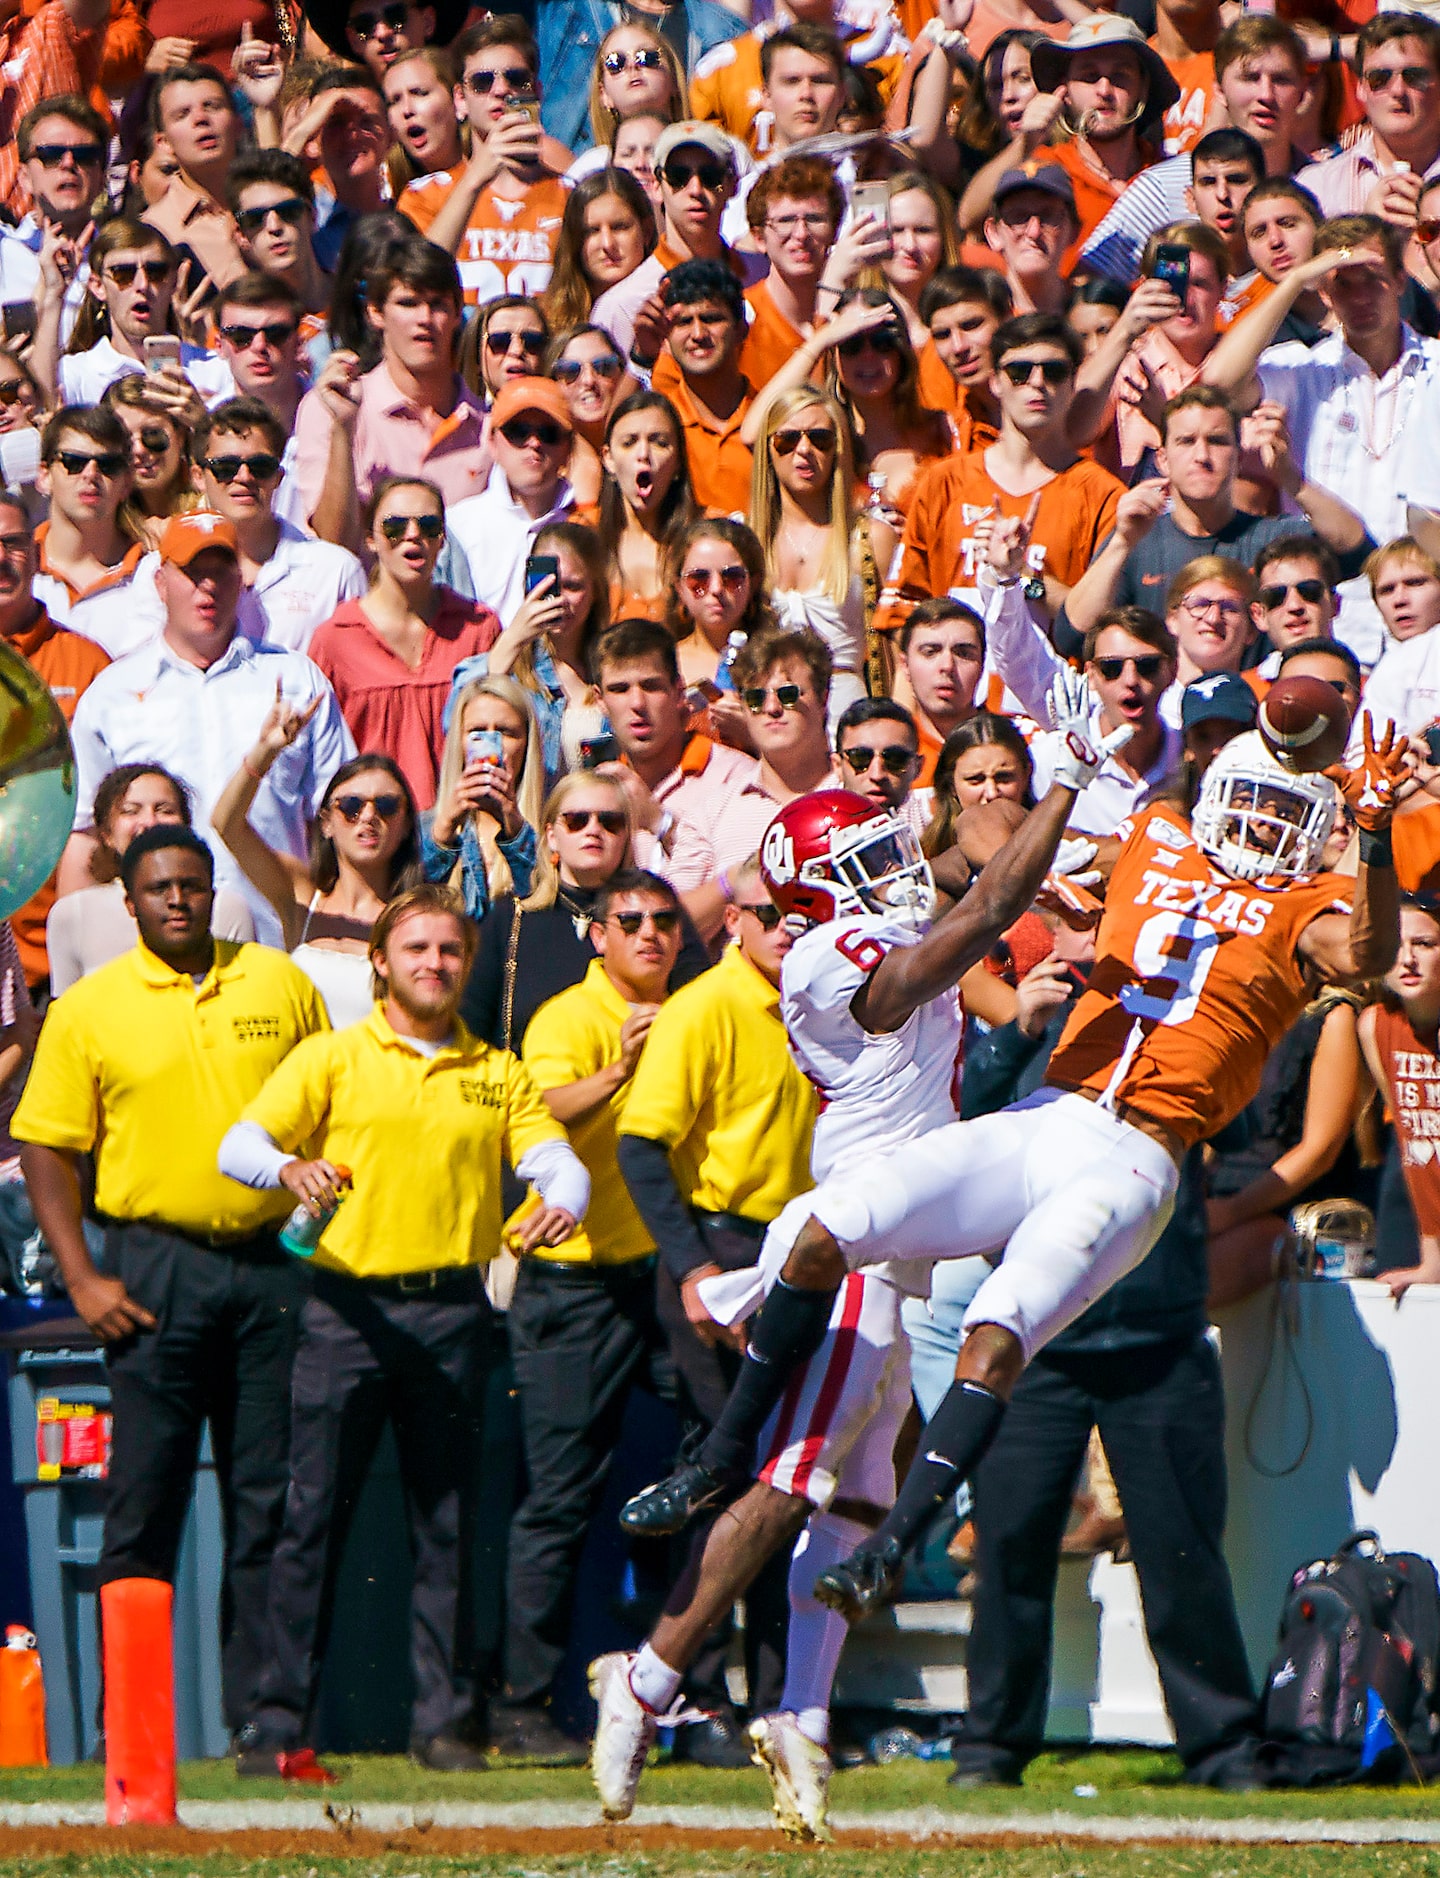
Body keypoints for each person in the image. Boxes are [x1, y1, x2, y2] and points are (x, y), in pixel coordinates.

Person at [623, 705, 1405, 1634]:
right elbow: (1002, 836)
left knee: (998, 1332)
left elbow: (1373, 950)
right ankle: (718, 1457)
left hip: (1139, 1157)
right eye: (1250, 800)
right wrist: (1050, 812)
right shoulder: (1158, 834)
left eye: (1283, 811)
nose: (1258, 824)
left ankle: (895, 1544)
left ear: (1314, 831)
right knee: (825, 1227)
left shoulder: (1308, 905)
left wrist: (1376, 833)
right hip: (1050, 1113)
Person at [600, 688, 1114, 1831]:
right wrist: (1066, 784)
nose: (896, 863)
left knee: (858, 1490)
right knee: (792, 1481)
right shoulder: (831, 958)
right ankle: (646, 1682)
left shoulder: (862, 912)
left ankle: (803, 1715)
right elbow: (974, 919)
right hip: (857, 1235)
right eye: (871, 855)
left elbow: (965, 860)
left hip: (908, 1230)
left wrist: (1022, 769)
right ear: (824, 887)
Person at [220, 884, 589, 1777]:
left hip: (454, 1311)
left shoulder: (496, 1070)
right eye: (416, 949)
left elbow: (557, 1163)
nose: (435, 964)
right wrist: (289, 1167)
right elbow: (237, 1145)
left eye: (450, 951)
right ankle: (276, 1725)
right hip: (344, 1310)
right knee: (307, 1522)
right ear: (380, 961)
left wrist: (561, 1204)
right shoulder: (335, 1057)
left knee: (448, 1523)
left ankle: (445, 1724)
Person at [14, 824, 330, 1755]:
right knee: (141, 1506)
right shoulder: (90, 1007)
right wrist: (81, 1274)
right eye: (160, 889)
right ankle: (134, 1737)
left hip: (275, 1267)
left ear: (213, 889)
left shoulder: (280, 982)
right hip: (152, 1271)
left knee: (266, 1500)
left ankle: (266, 1727)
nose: (180, 901)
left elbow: (334, 1102)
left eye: (193, 885)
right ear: (131, 901)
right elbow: (46, 1145)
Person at [493, 867, 686, 1764]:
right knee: (559, 1500)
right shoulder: (565, 1017)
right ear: (598, 936)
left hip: (661, 1274)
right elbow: (541, 1114)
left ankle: (692, 1690)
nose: (649, 933)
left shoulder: (691, 1009)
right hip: (571, 1285)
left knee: (705, 1479)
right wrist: (621, 1068)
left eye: (663, 921)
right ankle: (524, 1705)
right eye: (630, 920)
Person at [63, 512, 355, 949]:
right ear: (160, 583)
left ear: (240, 581)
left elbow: (339, 820)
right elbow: (86, 838)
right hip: (151, 956)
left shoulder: (296, 682)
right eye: (192, 573)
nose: (208, 586)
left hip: (278, 947)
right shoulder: (111, 695)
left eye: (220, 571)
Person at [1202, 213, 1440, 662]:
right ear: (1325, 293)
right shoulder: (1301, 367)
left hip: (1429, 608)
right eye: (1342, 284)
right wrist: (1293, 282)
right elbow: (1216, 383)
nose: (1360, 296)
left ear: (1401, 280)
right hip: (1329, 616)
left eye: (1373, 279)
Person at [876, 313, 1124, 632]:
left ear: (1073, 382)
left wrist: (1020, 575)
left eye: (1055, 371)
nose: (1037, 382)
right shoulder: (943, 483)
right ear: (995, 381)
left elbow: (1104, 627)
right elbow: (902, 616)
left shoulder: (1104, 497)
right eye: (1019, 372)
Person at [1063, 388, 1372, 643]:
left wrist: (1292, 480)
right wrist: (1121, 542)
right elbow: (1072, 635)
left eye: (1217, 441)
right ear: (1163, 460)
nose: (1202, 456)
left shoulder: (1272, 538)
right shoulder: (1137, 543)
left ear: (1239, 458)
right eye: (1186, 441)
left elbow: (1358, 552)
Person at [460, 769, 710, 1053]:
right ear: (552, 836)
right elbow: (470, 1027)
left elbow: (700, 1005)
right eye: (577, 821)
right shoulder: (510, 918)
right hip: (528, 1088)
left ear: (627, 836)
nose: (593, 830)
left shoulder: (658, 915)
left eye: (610, 822)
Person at [307, 478, 502, 810]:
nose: (413, 535)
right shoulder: (335, 639)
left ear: (442, 540)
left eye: (428, 526)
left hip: (463, 828)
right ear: (371, 539)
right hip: (373, 832)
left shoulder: (477, 627)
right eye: (395, 526)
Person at [1081, 18, 1313, 287]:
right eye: (1249, 78)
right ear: (1219, 91)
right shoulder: (1164, 188)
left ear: (1303, 92)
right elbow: (1088, 281)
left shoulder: (1320, 182)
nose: (1266, 94)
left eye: (1281, 80)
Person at [293, 238, 489, 551]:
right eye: (408, 303)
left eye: (438, 304)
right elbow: (333, 543)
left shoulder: (491, 426)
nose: (425, 318)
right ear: (375, 312)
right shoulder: (327, 408)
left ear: (456, 314)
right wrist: (344, 430)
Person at [161, 398, 368, 656]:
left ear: (279, 477)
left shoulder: (335, 571)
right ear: (197, 477)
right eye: (225, 467)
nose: (244, 477)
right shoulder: (164, 569)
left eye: (261, 467)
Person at [593, 618, 758, 937]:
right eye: (619, 689)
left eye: (651, 686)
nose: (637, 704)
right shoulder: (597, 792)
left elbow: (736, 901)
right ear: (599, 699)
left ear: (679, 691)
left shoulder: (737, 776)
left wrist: (660, 822)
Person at [398, 17, 570, 309]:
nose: (501, 90)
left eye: (517, 79)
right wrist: (476, 179)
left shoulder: (569, 195)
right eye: (482, 82)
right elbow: (416, 285)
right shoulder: (423, 197)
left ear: (537, 93)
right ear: (460, 100)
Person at [47, 764, 254, 995]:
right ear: (106, 833)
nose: (149, 822)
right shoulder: (72, 914)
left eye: (164, 810)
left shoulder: (227, 908)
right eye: (131, 811)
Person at [750, 387, 876, 730]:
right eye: (787, 440)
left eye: (820, 438)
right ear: (768, 449)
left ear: (838, 449)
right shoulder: (745, 540)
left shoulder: (868, 536)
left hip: (845, 711)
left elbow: (894, 648)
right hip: (767, 712)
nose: (803, 450)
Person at [591, 122, 748, 367]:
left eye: (710, 177)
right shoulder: (621, 306)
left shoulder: (764, 275)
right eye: (678, 177)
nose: (695, 189)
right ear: (656, 186)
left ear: (732, 184)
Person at [1027, 16, 1179, 257]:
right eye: (1089, 76)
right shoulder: (1043, 169)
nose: (1104, 90)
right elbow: (968, 216)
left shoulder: (1172, 178)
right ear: (1064, 90)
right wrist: (1023, 143)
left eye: (1120, 77)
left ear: (1143, 88)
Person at [49, 216, 229, 411]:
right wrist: (51, 295)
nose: (142, 285)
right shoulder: (74, 374)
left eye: (156, 272)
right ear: (98, 285)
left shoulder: (215, 370)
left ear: (174, 281)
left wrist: (202, 422)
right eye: (123, 274)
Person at [480, 519, 611, 781]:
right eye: (548, 586)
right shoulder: (510, 665)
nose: (559, 600)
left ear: (595, 590)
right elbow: (458, 722)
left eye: (573, 586)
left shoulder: (613, 666)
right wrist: (514, 638)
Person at [1359, 898, 1440, 1298]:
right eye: (1396, 946)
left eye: (1424, 944)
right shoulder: (1374, 1025)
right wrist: (1432, 1260)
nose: (1407, 959)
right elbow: (1414, 1139)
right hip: (1419, 1220)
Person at [447, 377, 578, 625]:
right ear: (492, 441)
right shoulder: (457, 525)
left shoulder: (587, 525)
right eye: (518, 432)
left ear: (568, 448)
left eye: (548, 433)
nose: (534, 443)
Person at [30, 406, 153, 658]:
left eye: (108, 465)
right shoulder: (16, 570)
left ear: (127, 482)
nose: (91, 474)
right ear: (44, 476)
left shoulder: (154, 577)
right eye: (74, 462)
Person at [423, 675, 544, 923]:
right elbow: (410, 900)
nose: (491, 745)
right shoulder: (425, 829)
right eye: (477, 732)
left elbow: (544, 906)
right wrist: (444, 831)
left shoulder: (551, 830)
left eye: (505, 732)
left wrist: (515, 829)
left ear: (526, 743)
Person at [1297, 16, 1440, 220]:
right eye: (1379, 79)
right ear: (1361, 89)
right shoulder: (1316, 187)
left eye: (1414, 77)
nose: (1398, 90)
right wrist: (1363, 233)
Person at [1, 96, 109, 342]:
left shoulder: (124, 258)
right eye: (51, 154)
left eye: (84, 155)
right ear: (24, 177)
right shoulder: (3, 250)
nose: (69, 164)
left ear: (102, 175)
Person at [654, 260, 755, 517]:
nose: (698, 333)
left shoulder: (771, 417)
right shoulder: (659, 424)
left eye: (711, 318)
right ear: (665, 334)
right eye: (684, 322)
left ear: (741, 328)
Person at [740, 157, 847, 392]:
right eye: (786, 221)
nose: (801, 234)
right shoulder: (740, 321)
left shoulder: (852, 314)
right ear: (759, 237)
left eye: (814, 219)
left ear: (835, 230)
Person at [144, 62, 248, 291]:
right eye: (182, 114)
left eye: (212, 106)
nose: (200, 118)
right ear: (164, 143)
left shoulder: (273, 208)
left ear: (239, 124)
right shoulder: (155, 231)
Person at [669, 516, 770, 751]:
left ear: (753, 583)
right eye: (699, 579)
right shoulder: (665, 663)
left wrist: (750, 734)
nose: (716, 589)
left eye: (732, 578)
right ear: (679, 588)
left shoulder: (779, 661)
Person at [596, 389, 697, 623]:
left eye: (660, 443)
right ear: (608, 458)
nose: (643, 454)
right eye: (629, 443)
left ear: (678, 462)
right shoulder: (586, 533)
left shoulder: (705, 535)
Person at [541, 173, 656, 337]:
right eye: (592, 231)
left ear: (647, 231)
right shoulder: (548, 320)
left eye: (619, 227)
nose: (607, 244)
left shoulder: (667, 309)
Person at [574, 21, 687, 186]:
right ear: (603, 94)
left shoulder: (711, 153)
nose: (632, 66)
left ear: (674, 79)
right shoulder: (589, 170)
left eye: (647, 57)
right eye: (615, 62)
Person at [228, 151, 332, 330]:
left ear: (312, 217)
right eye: (255, 218)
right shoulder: (234, 328)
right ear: (240, 235)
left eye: (288, 211)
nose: (274, 227)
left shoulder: (363, 305)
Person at [103, 377, 194, 550]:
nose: (139, 450)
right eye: (125, 440)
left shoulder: (211, 503)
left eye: (153, 434)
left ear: (180, 436)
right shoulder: (103, 523)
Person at [983, 162, 1077, 317]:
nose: (1034, 232)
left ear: (1074, 230)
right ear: (993, 234)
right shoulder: (980, 322)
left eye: (1049, 217)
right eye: (1018, 218)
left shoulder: (1093, 315)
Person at [1251, 535, 1340, 677]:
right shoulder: (1245, 695)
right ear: (1259, 616)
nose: (1294, 606)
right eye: (1276, 595)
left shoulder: (1369, 692)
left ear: (1336, 604)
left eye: (1309, 590)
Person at [464, 295, 550, 407]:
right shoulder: (460, 422)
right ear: (477, 355)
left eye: (532, 340)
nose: (517, 351)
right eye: (500, 341)